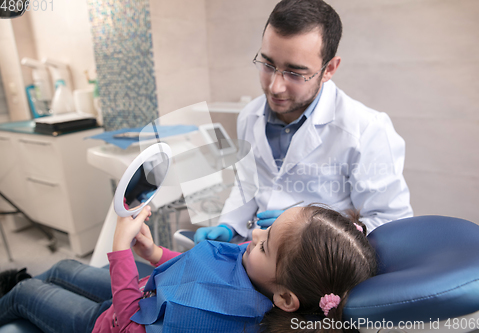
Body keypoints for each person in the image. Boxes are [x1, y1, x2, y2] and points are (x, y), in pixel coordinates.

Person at [194, 0, 412, 245]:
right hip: (259, 254)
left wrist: (314, 230)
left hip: (318, 273)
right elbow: (247, 184)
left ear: (329, 69)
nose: (275, 87)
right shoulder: (250, 116)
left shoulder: (367, 130)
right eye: (267, 64)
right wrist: (229, 225)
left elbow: (390, 223)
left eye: (295, 73)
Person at [0, 203, 376, 333]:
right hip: (144, 295)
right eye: (266, 228)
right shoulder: (253, 270)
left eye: (265, 243)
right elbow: (196, 269)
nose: (256, 233)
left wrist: (120, 250)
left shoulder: (216, 317)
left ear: (285, 297)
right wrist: (153, 253)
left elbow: (127, 321)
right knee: (65, 265)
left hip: (110, 323)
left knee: (24, 293)